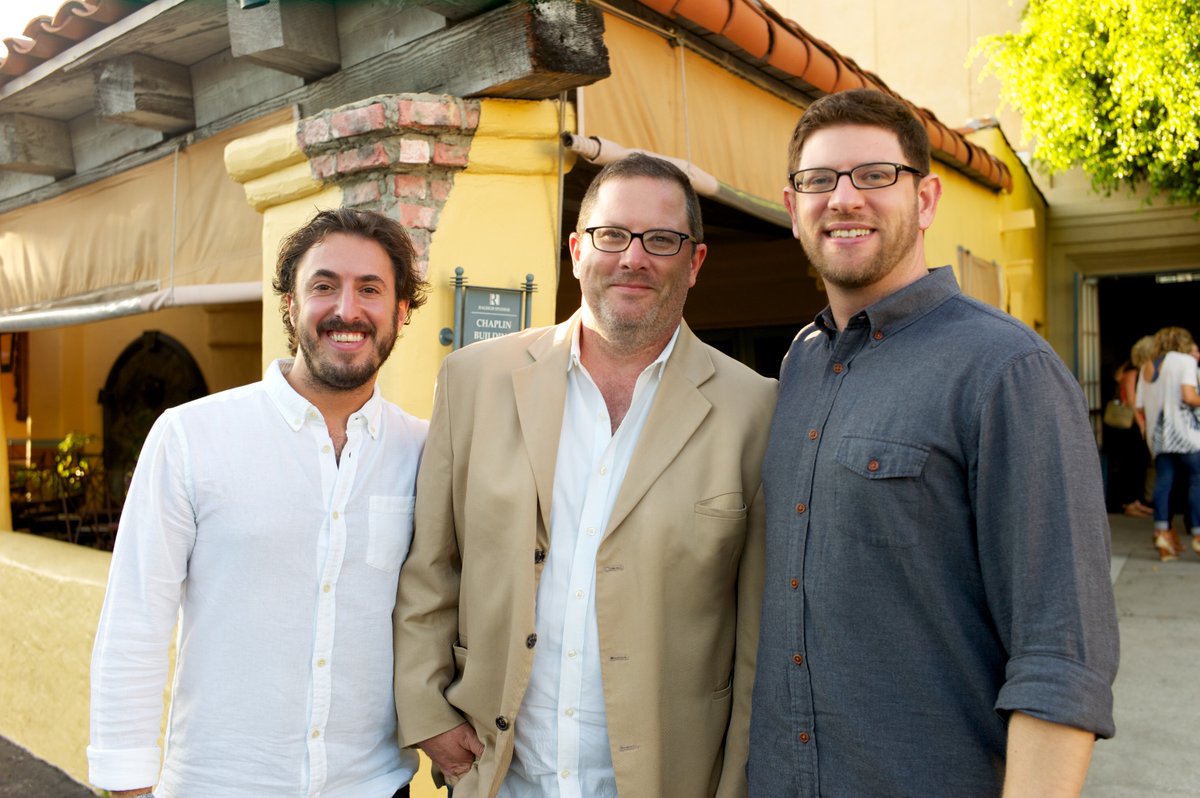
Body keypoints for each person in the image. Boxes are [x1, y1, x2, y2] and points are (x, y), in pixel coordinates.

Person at [748, 88, 1119, 797]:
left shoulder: (1008, 371)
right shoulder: (799, 364)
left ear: (925, 200)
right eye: (819, 180)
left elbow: (1061, 655)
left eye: (875, 175)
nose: (844, 198)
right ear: (793, 207)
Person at [393, 153, 775, 797]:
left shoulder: (754, 409)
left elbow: (755, 632)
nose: (634, 258)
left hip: (666, 779)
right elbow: (432, 565)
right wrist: (427, 709)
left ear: (696, 262)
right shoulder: (474, 381)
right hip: (501, 775)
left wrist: (735, 780)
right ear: (576, 249)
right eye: (612, 236)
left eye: (662, 240)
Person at [88, 208, 429, 798]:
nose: (346, 310)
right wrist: (128, 784)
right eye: (324, 286)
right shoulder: (191, 436)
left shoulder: (425, 452)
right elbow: (136, 620)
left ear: (400, 312)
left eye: (369, 289)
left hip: (373, 786)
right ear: (292, 306)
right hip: (216, 785)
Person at [1136, 325, 1200, 561]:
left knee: (1164, 482)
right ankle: (1198, 535)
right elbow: (1189, 396)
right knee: (1197, 480)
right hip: (1186, 435)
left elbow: (1140, 407)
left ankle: (1162, 533)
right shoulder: (1184, 361)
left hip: (1159, 437)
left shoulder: (1147, 367)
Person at [1106, 336, 1154, 518]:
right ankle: (1129, 503)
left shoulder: (1131, 370)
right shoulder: (1132, 372)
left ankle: (1135, 501)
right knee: (1131, 463)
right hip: (1130, 425)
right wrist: (1142, 425)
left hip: (1133, 425)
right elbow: (1132, 402)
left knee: (1137, 463)